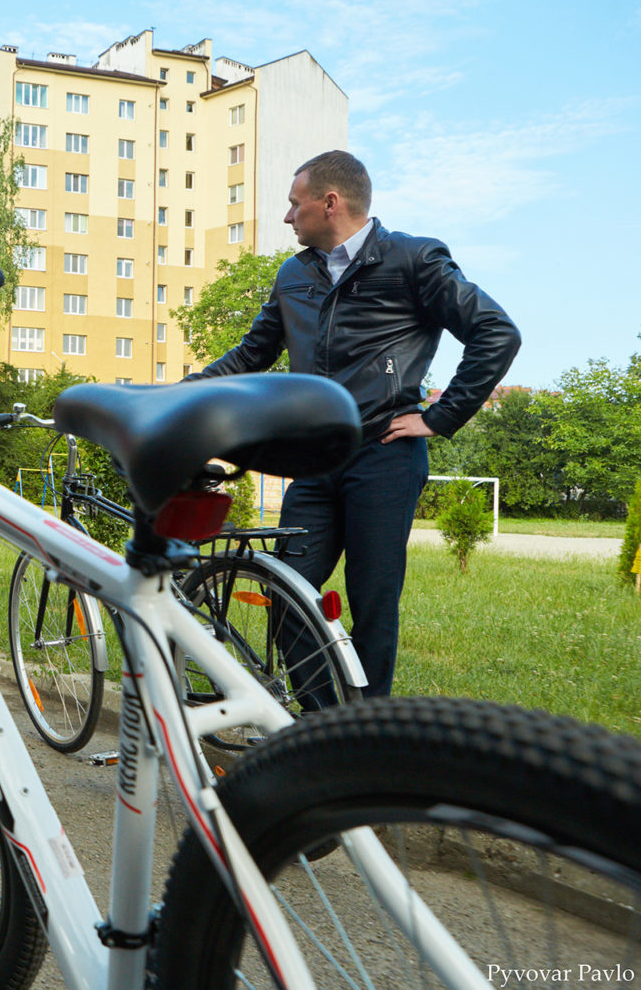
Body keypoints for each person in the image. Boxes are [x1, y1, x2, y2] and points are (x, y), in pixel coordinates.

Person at [189, 150, 520, 698]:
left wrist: (439, 418)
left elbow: (496, 333)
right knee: (287, 589)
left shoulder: (413, 259)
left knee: (372, 604)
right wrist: (184, 392)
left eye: (295, 204)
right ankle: (321, 728)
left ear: (330, 203)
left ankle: (366, 736)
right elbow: (252, 353)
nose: (288, 217)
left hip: (384, 454)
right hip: (315, 461)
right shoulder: (294, 273)